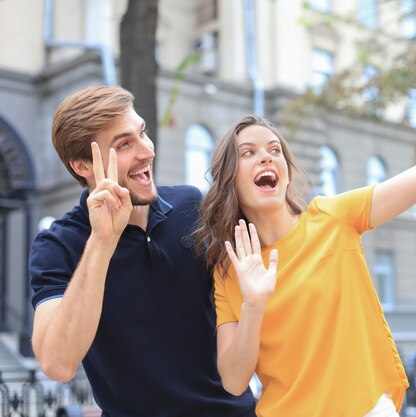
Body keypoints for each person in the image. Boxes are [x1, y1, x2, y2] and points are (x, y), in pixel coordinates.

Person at [193, 37, 416, 417]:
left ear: (285, 172)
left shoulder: (333, 218)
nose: (266, 157)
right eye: (248, 153)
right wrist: (253, 304)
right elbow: (234, 381)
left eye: (274, 150)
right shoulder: (231, 269)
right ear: (230, 179)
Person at [29, 85, 257, 417]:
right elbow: (57, 364)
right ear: (82, 166)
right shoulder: (58, 244)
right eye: (124, 144)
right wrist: (102, 242)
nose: (147, 151)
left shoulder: (192, 206)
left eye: (143, 133)